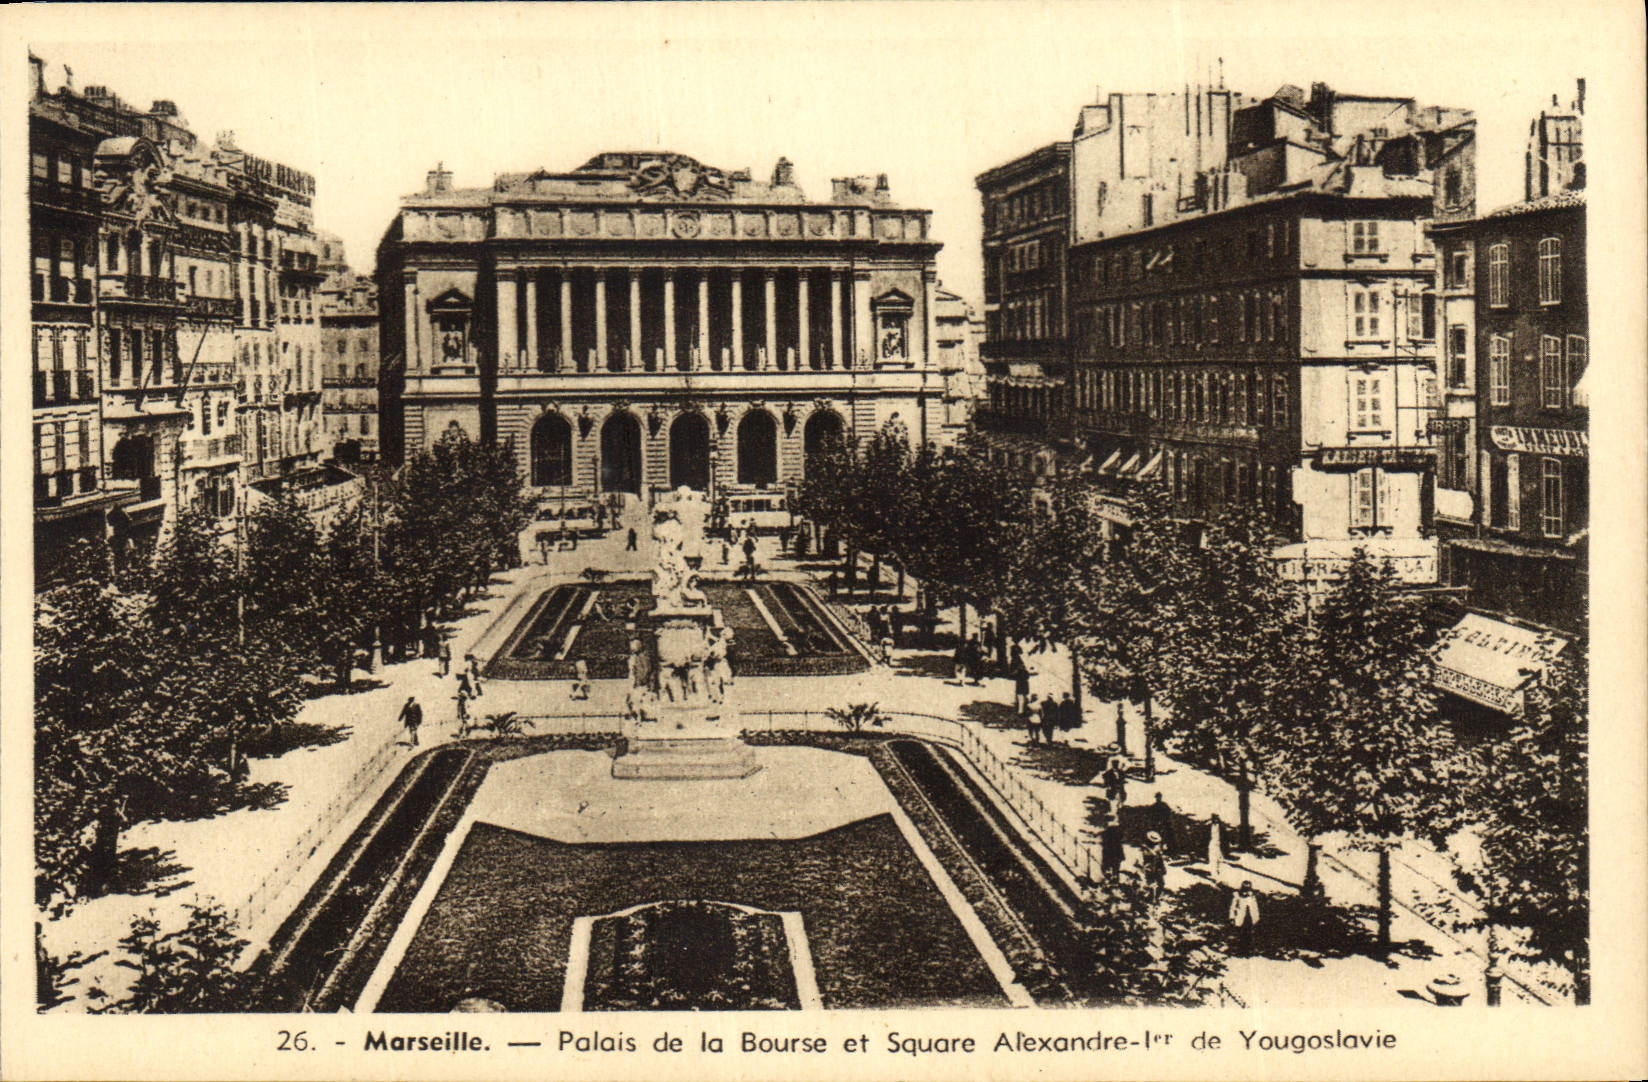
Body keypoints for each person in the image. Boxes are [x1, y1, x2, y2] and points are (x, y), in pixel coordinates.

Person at [1228, 880, 1261, 955]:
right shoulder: (1237, 896)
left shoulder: (1252, 896)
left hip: (1250, 918)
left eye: (1248, 887)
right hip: (1240, 917)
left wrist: (1257, 918)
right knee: (1240, 935)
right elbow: (1232, 907)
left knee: (1249, 935)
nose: (1246, 889)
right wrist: (1232, 917)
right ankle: (1240, 951)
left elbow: (1255, 908)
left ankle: (1248, 952)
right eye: (1245, 887)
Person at [1139, 831, 1168, 900]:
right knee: (1151, 884)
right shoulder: (1145, 849)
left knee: (1161, 884)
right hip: (1149, 868)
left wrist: (1163, 868)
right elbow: (1147, 856)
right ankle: (1151, 898)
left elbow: (1160, 860)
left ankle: (1156, 897)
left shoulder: (1157, 849)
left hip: (1158, 868)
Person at [1100, 809, 1126, 879]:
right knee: (1116, 869)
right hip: (1117, 852)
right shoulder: (1119, 831)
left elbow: (1104, 843)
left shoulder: (1106, 832)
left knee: (1107, 868)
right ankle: (1115, 878)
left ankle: (1109, 879)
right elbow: (1122, 838)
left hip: (1109, 853)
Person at [1207, 813, 1226, 880]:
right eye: (1214, 819)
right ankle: (1213, 872)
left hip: (1219, 844)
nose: (1215, 820)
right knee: (1212, 859)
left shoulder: (1221, 827)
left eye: (1216, 819)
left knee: (1219, 859)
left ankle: (1218, 871)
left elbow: (1225, 837)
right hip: (1212, 844)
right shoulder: (1209, 827)